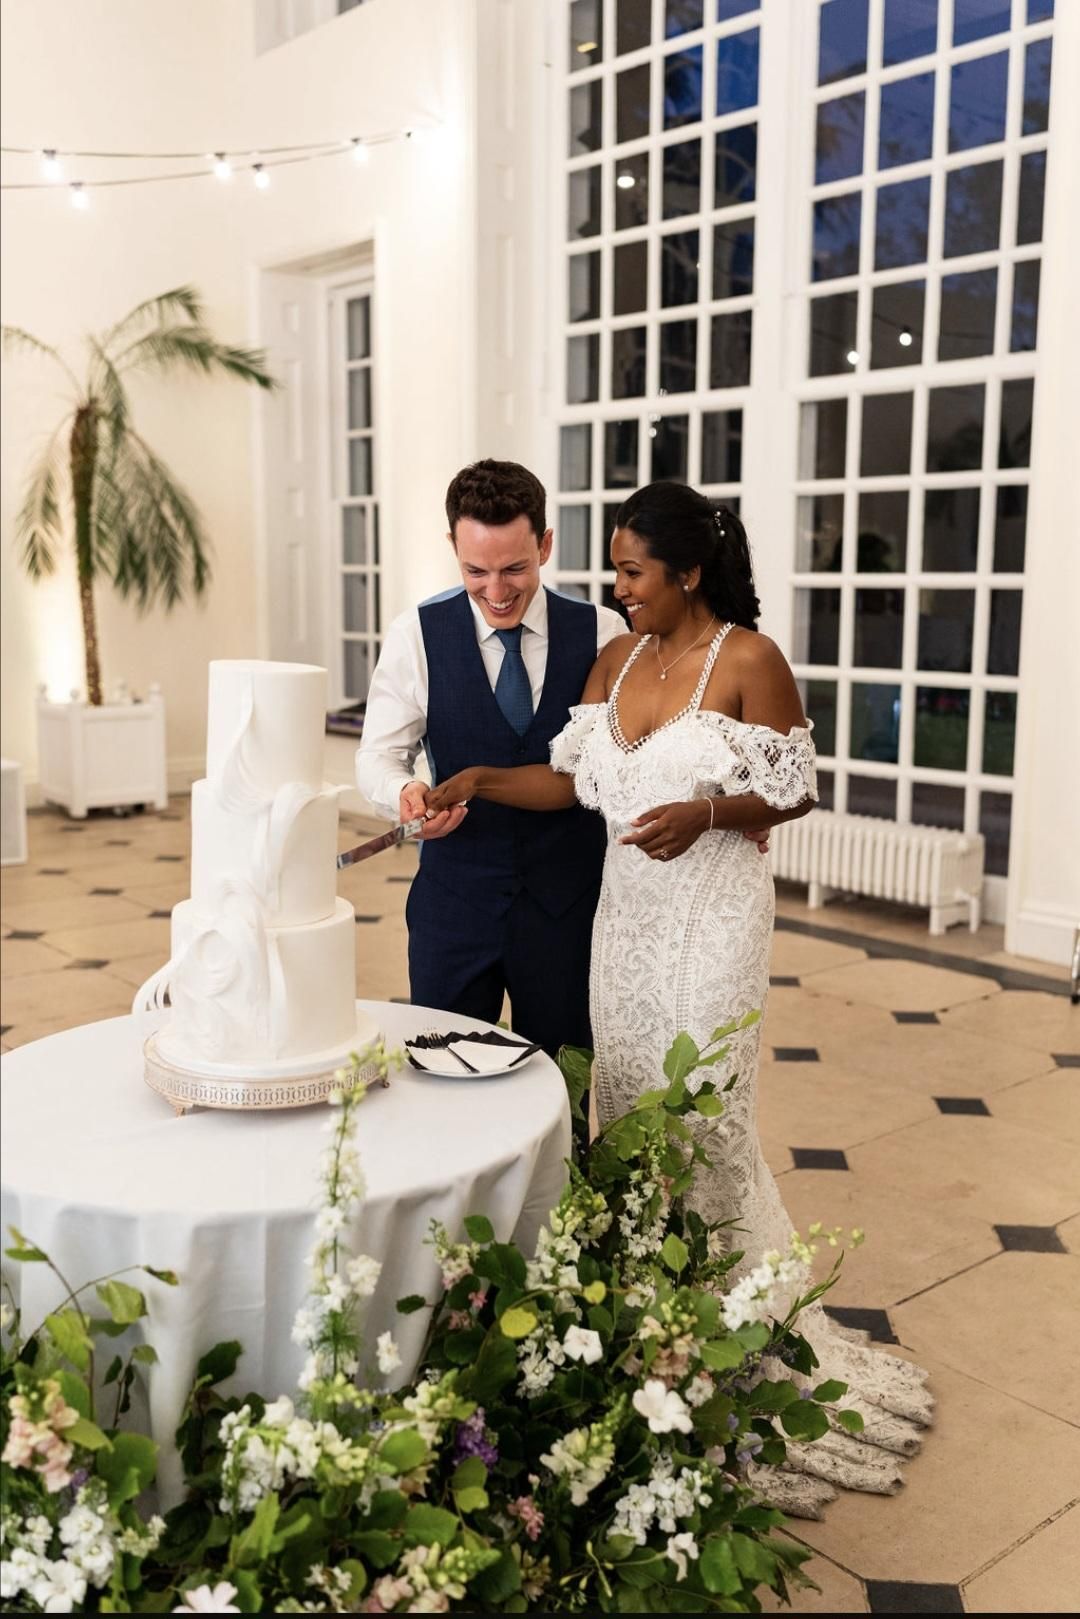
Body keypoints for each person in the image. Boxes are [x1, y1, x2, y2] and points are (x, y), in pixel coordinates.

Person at [427, 480, 933, 1510]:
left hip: (712, 925)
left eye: (633, 574)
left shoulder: (747, 657)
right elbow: (572, 781)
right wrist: (480, 775)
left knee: (703, 1119)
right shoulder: (617, 661)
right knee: (626, 1114)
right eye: (615, 572)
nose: (618, 594)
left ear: (688, 572)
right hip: (624, 930)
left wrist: (709, 809)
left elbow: (795, 784)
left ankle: (729, 1343)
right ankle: (650, 1329)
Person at [355, 459, 626, 1056]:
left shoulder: (603, 632)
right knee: (445, 1080)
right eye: (475, 570)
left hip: (569, 910)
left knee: (563, 1089)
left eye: (515, 569)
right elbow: (378, 756)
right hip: (455, 906)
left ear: (546, 545)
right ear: (452, 544)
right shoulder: (415, 635)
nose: (496, 592)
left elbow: (637, 753)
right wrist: (402, 794)